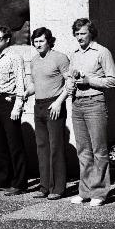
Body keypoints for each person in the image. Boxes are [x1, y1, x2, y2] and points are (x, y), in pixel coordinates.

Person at [67, 18, 115, 208]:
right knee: (83, 151)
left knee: (99, 149)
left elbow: (113, 80)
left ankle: (100, 192)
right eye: (77, 33)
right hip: (77, 103)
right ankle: (85, 191)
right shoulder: (73, 54)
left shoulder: (102, 52)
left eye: (82, 33)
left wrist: (89, 80)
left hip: (95, 103)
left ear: (91, 33)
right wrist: (71, 83)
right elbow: (70, 77)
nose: (79, 37)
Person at [27, 27, 70, 200]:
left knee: (56, 147)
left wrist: (59, 102)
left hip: (54, 105)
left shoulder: (60, 58)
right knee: (42, 147)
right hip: (38, 106)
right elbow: (34, 85)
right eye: (35, 41)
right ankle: (44, 186)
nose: (38, 44)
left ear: (49, 41)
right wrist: (24, 94)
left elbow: (70, 83)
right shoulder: (34, 60)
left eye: (41, 41)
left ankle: (58, 188)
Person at [0, 25, 28, 196]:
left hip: (9, 102)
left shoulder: (15, 57)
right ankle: (2, 178)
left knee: (14, 145)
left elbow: (20, 82)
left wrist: (18, 106)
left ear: (7, 39)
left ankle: (19, 183)